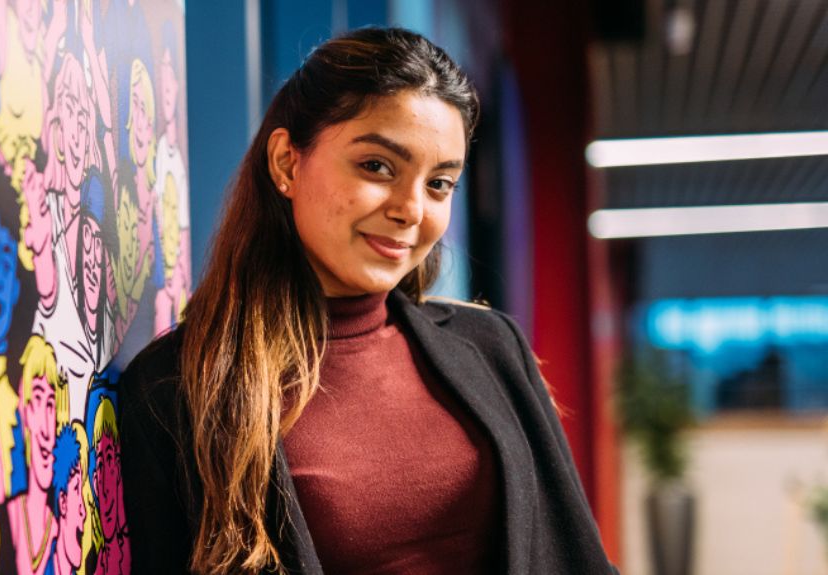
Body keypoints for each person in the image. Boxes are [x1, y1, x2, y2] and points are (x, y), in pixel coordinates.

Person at [117, 28, 616, 574]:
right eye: (377, 166)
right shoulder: (177, 391)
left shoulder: (492, 347)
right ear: (286, 162)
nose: (411, 210)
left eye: (439, 184)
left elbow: (574, 553)